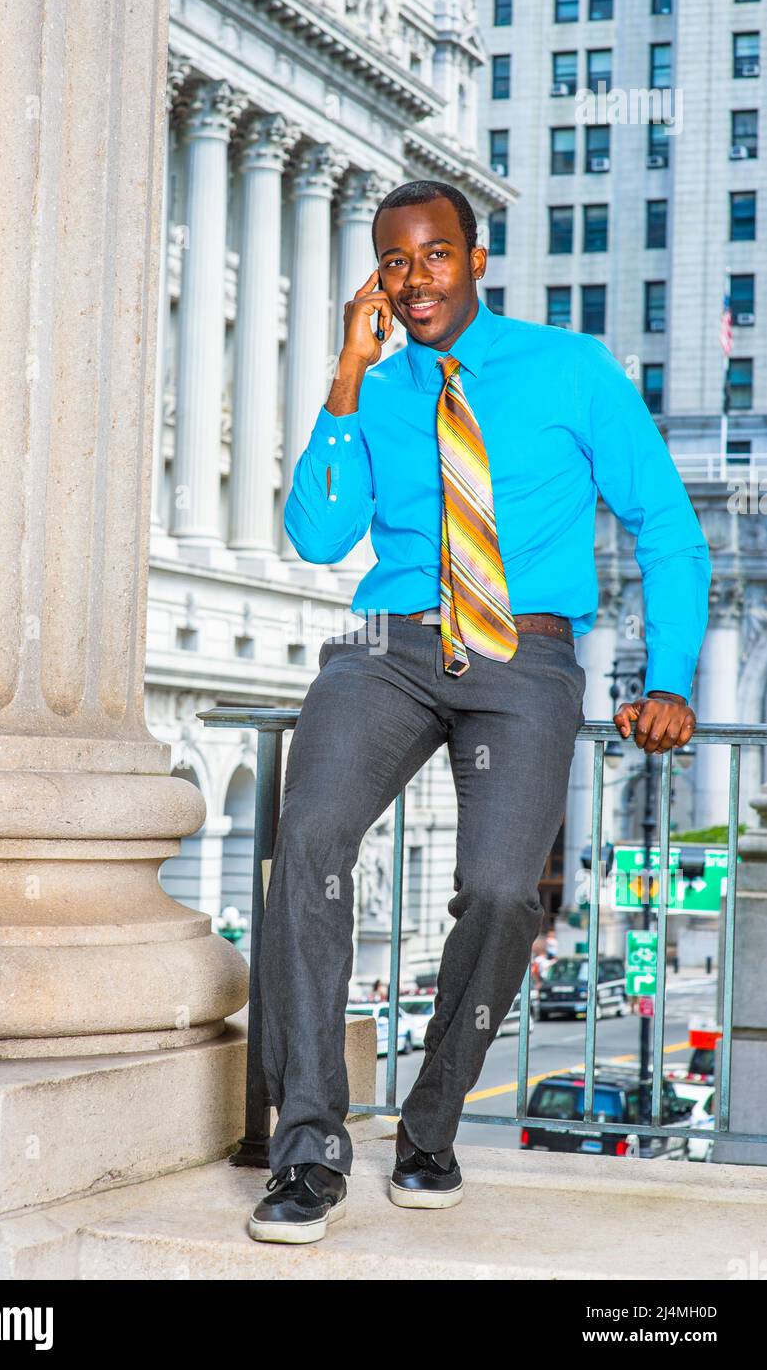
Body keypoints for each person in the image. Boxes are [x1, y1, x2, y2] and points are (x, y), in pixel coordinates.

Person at [247, 179, 711, 1244]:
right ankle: (308, 1146)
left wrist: (672, 677)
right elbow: (318, 539)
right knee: (309, 841)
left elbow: (667, 527)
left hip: (524, 654)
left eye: (435, 255)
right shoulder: (375, 387)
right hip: (386, 650)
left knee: (504, 890)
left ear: (476, 257)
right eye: (394, 262)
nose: (415, 281)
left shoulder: (571, 370)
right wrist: (346, 377)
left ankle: (429, 1120)